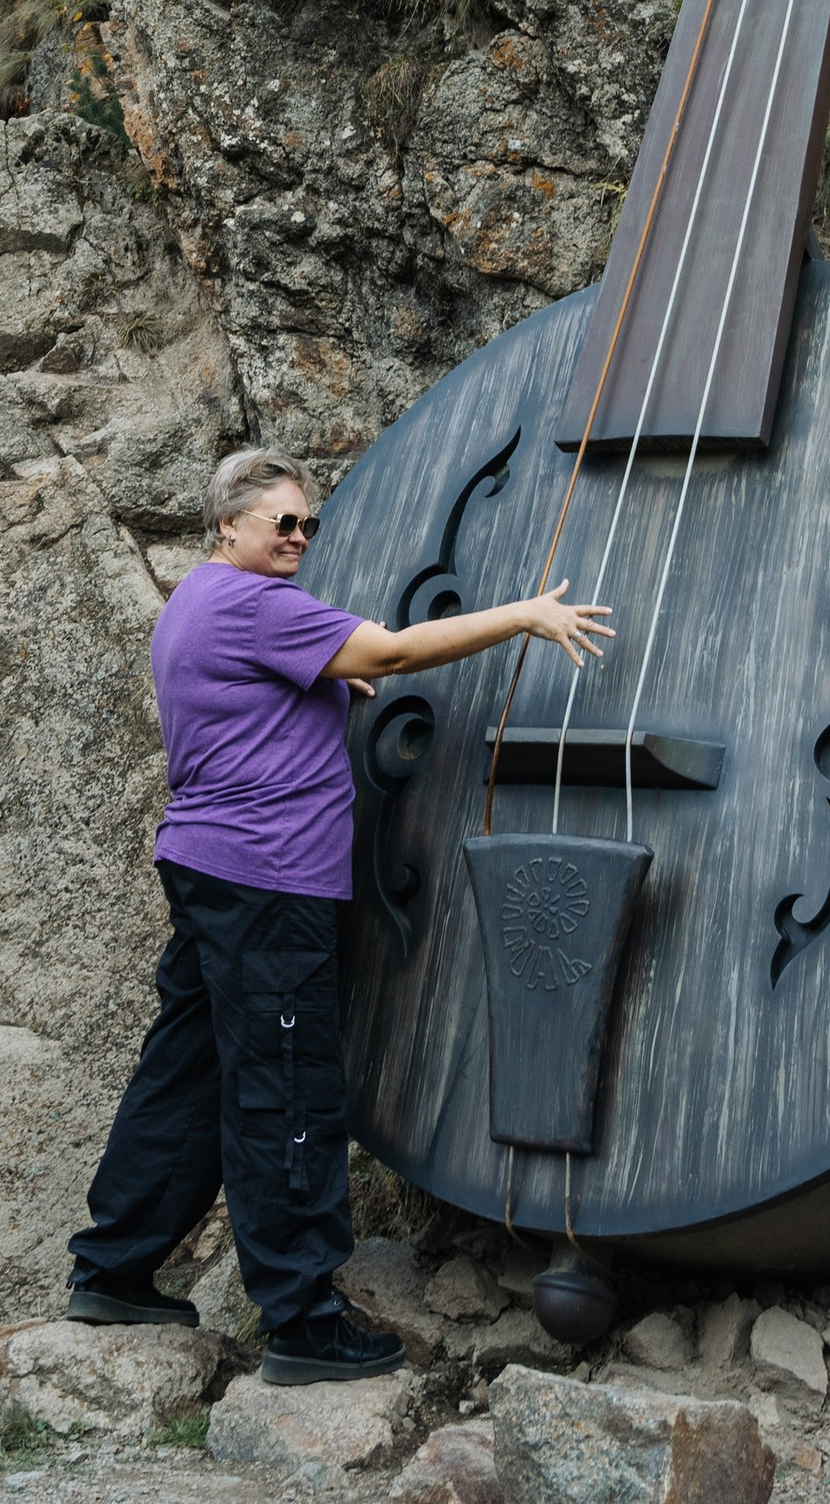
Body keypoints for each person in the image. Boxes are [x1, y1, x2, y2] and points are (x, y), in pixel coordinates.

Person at [68, 442, 613, 1384]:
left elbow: (246, 697)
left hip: (214, 870)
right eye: (282, 522)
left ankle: (113, 1266)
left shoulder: (196, 602)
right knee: (284, 1085)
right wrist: (525, 614)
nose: (299, 537)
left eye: (308, 523)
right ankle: (303, 1320)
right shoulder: (253, 603)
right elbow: (396, 650)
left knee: (188, 1074)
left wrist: (323, 680)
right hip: (269, 879)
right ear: (228, 522)